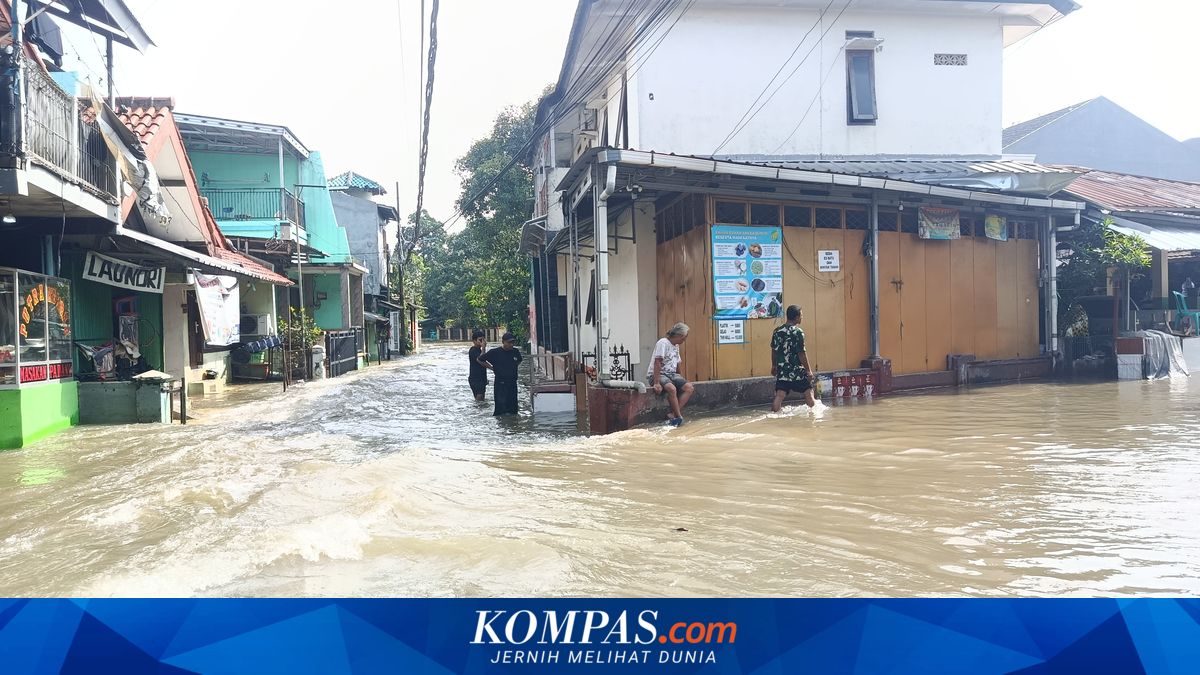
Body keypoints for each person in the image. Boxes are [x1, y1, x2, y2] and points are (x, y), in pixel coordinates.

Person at [647, 322, 694, 426]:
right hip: (659, 374)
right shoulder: (663, 343)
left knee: (689, 388)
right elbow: (657, 362)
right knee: (671, 389)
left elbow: (677, 363)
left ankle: (673, 414)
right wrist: (656, 382)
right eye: (683, 338)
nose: (684, 340)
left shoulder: (676, 346)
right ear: (678, 336)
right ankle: (678, 416)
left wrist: (681, 378)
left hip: (672, 374)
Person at [771, 305, 816, 412]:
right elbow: (801, 353)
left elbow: (774, 350)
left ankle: (773, 417)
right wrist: (809, 371)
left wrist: (774, 365)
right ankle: (815, 418)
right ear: (796, 317)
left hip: (783, 371)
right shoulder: (798, 332)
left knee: (780, 395)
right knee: (808, 392)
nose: (802, 317)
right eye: (801, 315)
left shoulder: (777, 331)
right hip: (797, 371)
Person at [481, 332, 523, 416]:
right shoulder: (495, 352)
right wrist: (492, 368)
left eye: (512, 342)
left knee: (513, 409)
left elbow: (519, 360)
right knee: (500, 409)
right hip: (500, 384)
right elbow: (480, 359)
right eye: (509, 342)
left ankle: (512, 424)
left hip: (512, 383)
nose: (511, 344)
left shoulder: (515, 351)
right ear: (503, 342)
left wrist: (511, 368)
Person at [467, 330, 488, 401]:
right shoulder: (473, 350)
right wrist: (484, 347)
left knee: (482, 400)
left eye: (483, 339)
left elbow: (484, 359)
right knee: (479, 398)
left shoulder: (479, 350)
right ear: (474, 341)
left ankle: (479, 412)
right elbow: (481, 359)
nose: (482, 341)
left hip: (481, 378)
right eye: (480, 340)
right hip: (475, 379)